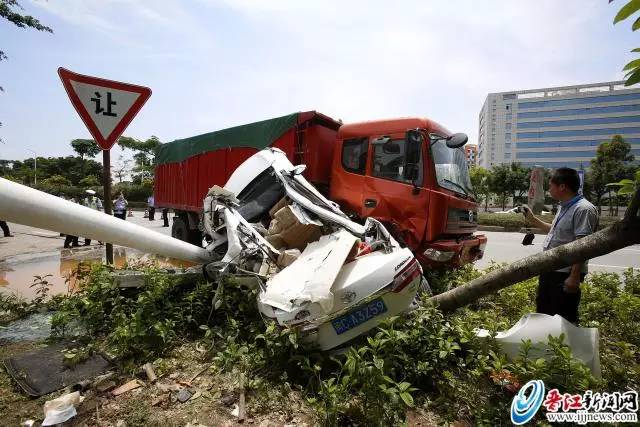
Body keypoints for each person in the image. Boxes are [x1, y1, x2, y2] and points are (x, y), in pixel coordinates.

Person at [523, 167, 598, 324]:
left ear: (562, 186)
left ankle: (563, 348)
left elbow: (583, 245)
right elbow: (554, 231)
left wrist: (574, 276)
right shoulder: (564, 206)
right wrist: (532, 219)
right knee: (544, 313)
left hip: (565, 274)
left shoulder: (583, 209)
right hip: (550, 269)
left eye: (551, 186)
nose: (549, 190)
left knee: (563, 318)